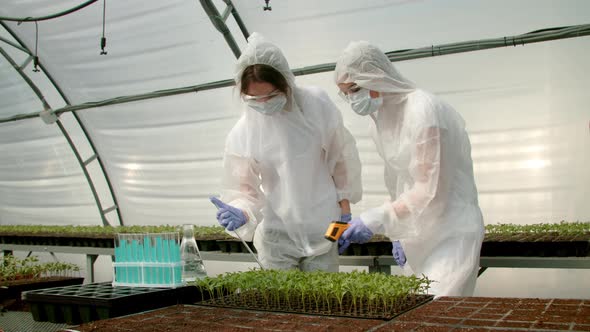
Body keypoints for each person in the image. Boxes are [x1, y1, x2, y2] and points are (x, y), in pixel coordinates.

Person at [334, 41, 484, 297]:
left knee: (438, 313)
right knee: (415, 315)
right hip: (415, 235)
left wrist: (374, 220)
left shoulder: (424, 110)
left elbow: (431, 189)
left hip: (450, 232)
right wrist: (396, 234)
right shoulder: (379, 122)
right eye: (346, 93)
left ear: (377, 76)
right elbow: (396, 183)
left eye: (356, 88)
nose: (353, 99)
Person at [210, 33, 362, 272]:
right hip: (276, 237)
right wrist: (241, 211)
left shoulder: (315, 106)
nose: (263, 103)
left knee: (323, 303)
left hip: (325, 229)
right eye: (254, 98)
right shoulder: (243, 132)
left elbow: (341, 160)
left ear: (286, 83)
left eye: (270, 96)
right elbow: (243, 189)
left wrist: (344, 216)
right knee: (281, 305)